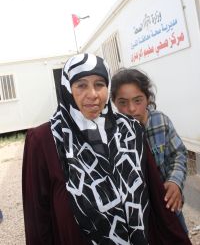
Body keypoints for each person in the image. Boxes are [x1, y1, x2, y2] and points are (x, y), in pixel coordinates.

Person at [22, 53, 191, 245]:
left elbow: (154, 200)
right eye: (81, 85)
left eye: (99, 84)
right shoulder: (45, 140)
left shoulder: (130, 130)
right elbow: (37, 217)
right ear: (67, 88)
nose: (93, 94)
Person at [111, 67, 188, 233]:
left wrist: (175, 181)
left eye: (138, 100)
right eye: (122, 102)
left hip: (167, 205)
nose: (131, 109)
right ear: (114, 102)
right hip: (135, 215)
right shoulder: (111, 132)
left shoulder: (161, 121)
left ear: (147, 98)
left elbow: (178, 154)